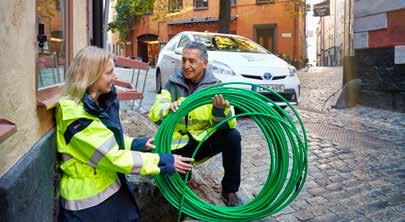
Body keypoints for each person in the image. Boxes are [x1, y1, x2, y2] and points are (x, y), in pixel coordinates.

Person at [55, 46, 193, 222]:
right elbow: (113, 157)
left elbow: (106, 142)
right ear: (91, 77)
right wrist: (162, 161)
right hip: (88, 206)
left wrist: (136, 144)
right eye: (109, 72)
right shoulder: (76, 119)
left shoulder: (95, 104)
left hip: (108, 188)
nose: (115, 77)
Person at [149, 41, 242, 207]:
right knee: (173, 189)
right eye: (184, 60)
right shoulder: (173, 84)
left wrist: (219, 111)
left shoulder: (216, 87)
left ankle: (229, 191)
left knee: (232, 136)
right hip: (177, 147)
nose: (186, 65)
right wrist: (167, 108)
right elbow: (154, 112)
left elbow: (229, 124)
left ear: (204, 63)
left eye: (191, 61)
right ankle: (184, 172)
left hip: (201, 143)